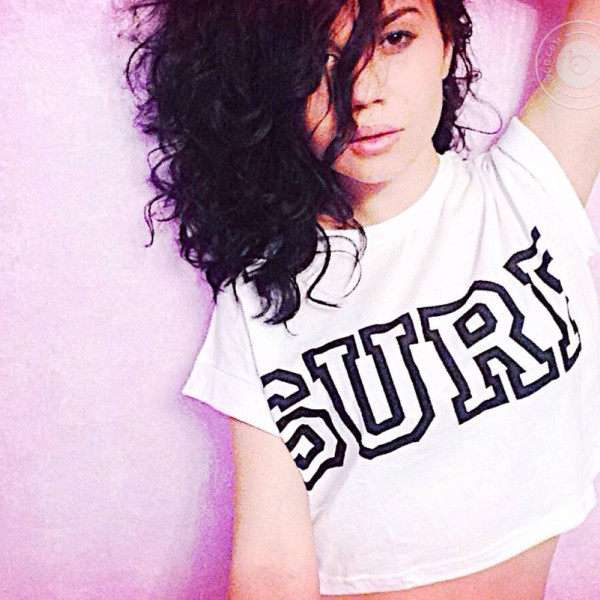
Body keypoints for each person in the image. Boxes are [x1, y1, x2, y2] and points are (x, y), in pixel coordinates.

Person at [125, 0, 600, 598]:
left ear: (447, 43)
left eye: (396, 38)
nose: (362, 93)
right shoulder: (267, 294)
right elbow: (271, 563)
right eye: (315, 60)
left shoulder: (527, 189)